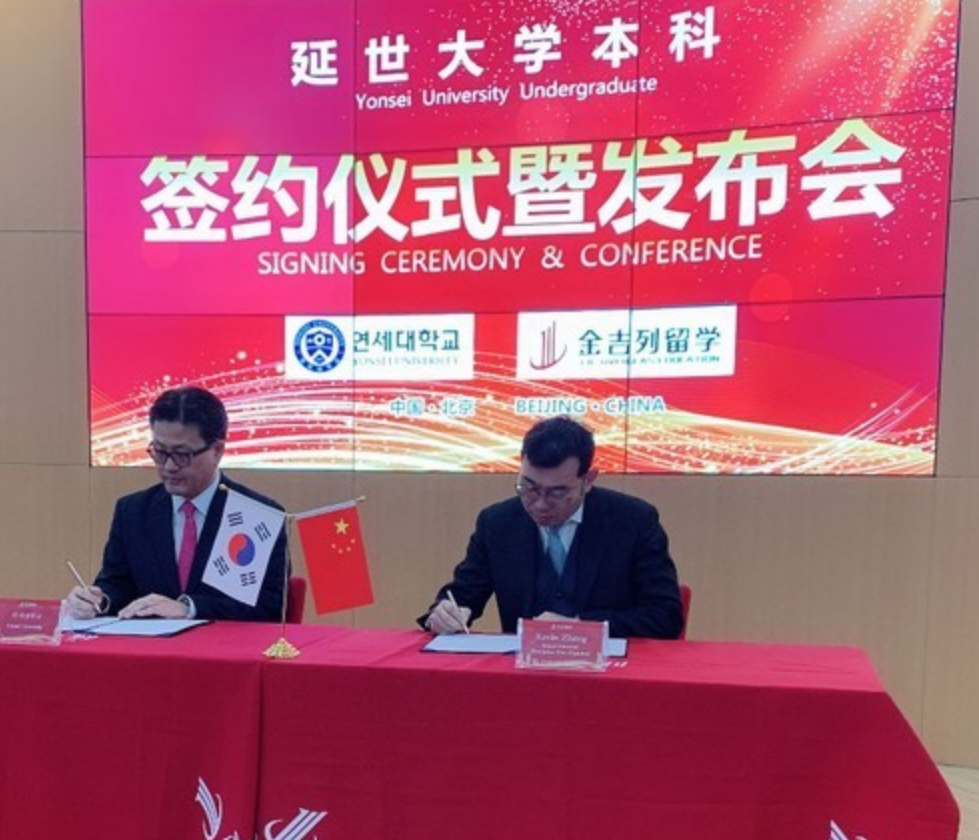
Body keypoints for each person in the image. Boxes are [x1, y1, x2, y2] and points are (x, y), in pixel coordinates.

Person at [420, 416, 683, 639]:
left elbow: (665, 616)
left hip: (608, 671)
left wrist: (580, 626)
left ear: (588, 480)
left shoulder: (633, 521)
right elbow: (463, 595)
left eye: (557, 492)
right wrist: (445, 613)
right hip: (522, 672)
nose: (540, 504)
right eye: (529, 487)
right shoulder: (497, 523)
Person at [66, 386, 287, 622]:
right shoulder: (133, 511)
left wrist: (189, 608)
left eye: (182, 455)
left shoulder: (257, 515)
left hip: (225, 644)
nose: (169, 467)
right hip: (146, 644)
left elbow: (270, 608)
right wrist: (98, 600)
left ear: (217, 450)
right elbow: (117, 585)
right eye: (160, 452)